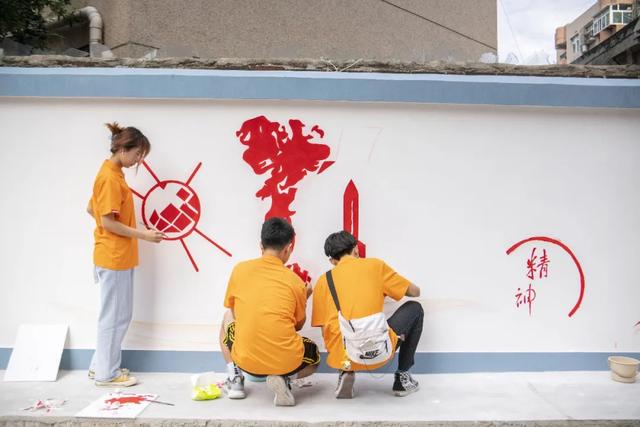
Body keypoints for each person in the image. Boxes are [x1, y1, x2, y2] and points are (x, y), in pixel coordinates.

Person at [87, 122, 165, 387]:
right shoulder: (109, 177)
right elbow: (106, 220)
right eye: (136, 154)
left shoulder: (111, 173)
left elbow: (92, 209)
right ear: (122, 148)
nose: (137, 160)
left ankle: (100, 366)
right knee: (116, 316)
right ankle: (107, 375)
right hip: (114, 257)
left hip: (114, 254)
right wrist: (144, 234)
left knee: (115, 314)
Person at [219, 217, 319, 406]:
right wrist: (304, 297)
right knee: (314, 357)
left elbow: (234, 310)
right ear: (288, 248)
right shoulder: (295, 282)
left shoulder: (240, 270)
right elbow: (297, 325)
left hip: (247, 361)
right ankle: (285, 379)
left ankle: (236, 380)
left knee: (226, 317)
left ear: (261, 245)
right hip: (287, 362)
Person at [312, 231, 423, 398]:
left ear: (332, 260)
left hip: (344, 354)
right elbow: (415, 292)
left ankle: (344, 370)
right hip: (378, 351)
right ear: (356, 249)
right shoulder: (375, 266)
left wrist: (342, 357)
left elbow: (324, 330)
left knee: (337, 329)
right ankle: (402, 378)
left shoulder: (323, 281)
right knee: (415, 308)